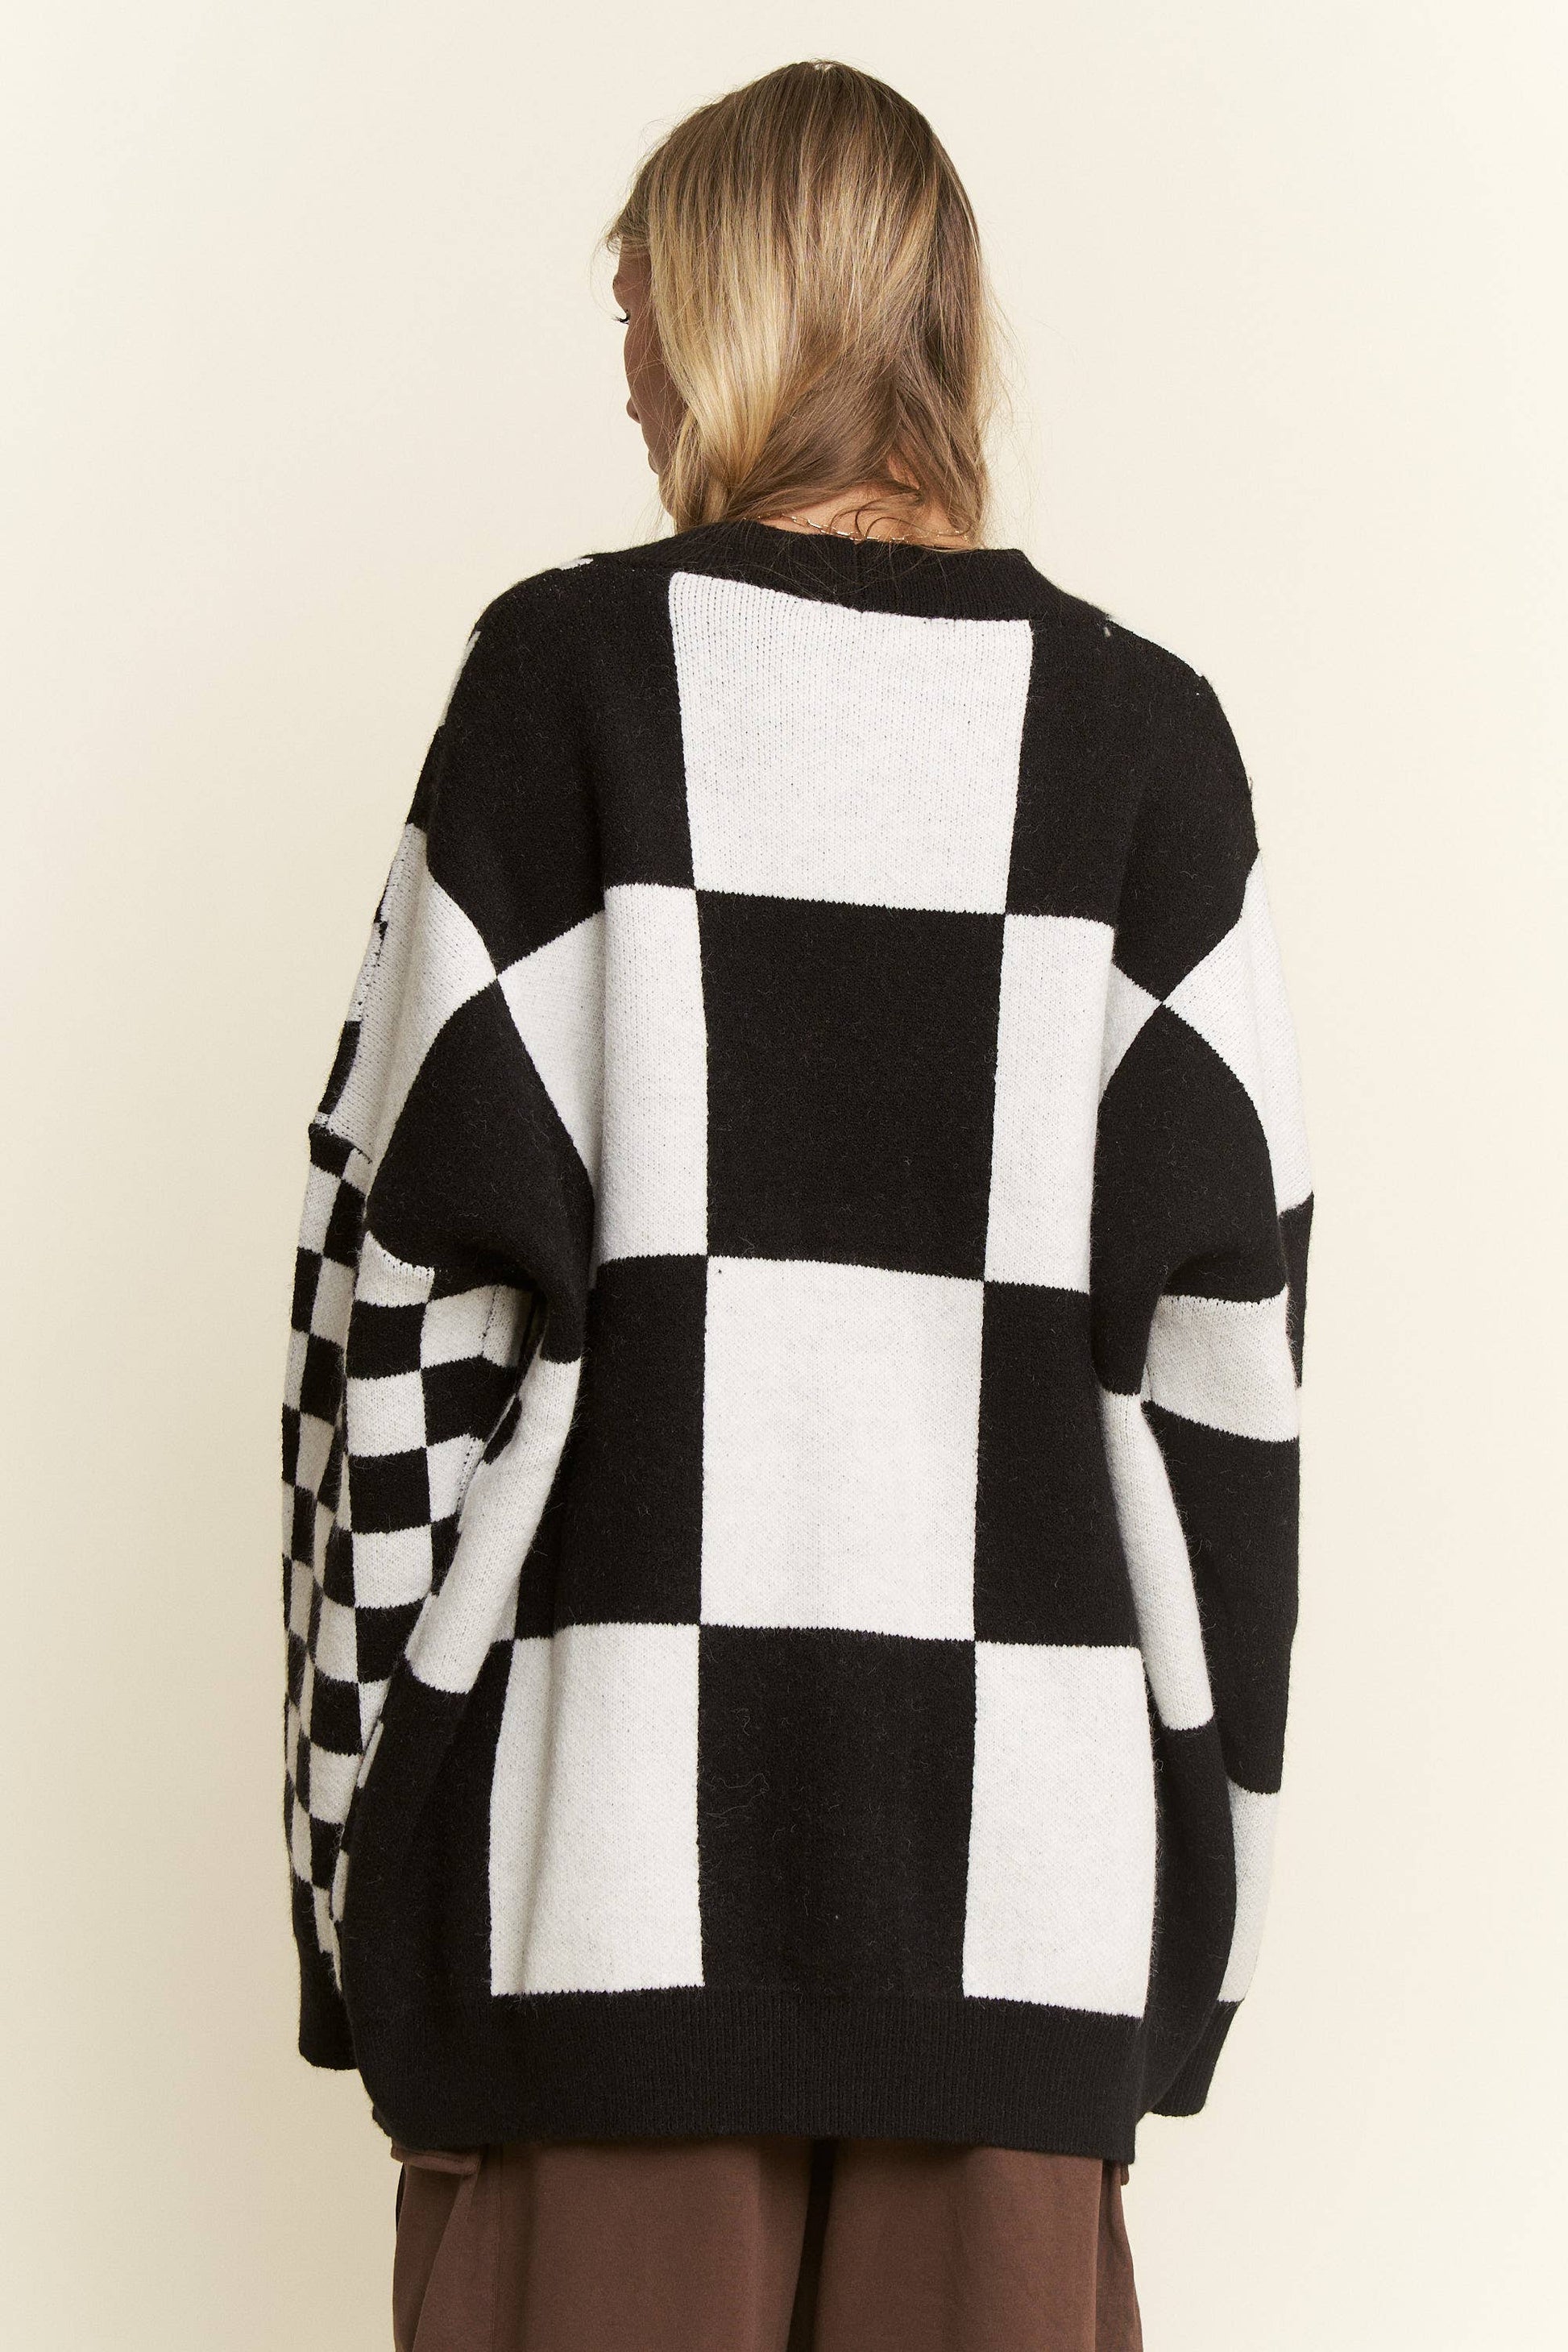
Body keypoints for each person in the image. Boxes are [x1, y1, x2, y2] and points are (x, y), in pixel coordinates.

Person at [279, 57, 1313, 2352]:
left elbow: (389, 1323)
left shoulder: (566, 688)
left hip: (599, 1899)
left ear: (742, 307)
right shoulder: (1148, 749)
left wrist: (364, 1889)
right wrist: (1189, 1938)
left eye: (640, 306)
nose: (628, 372)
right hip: (1023, 1921)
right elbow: (1226, 1396)